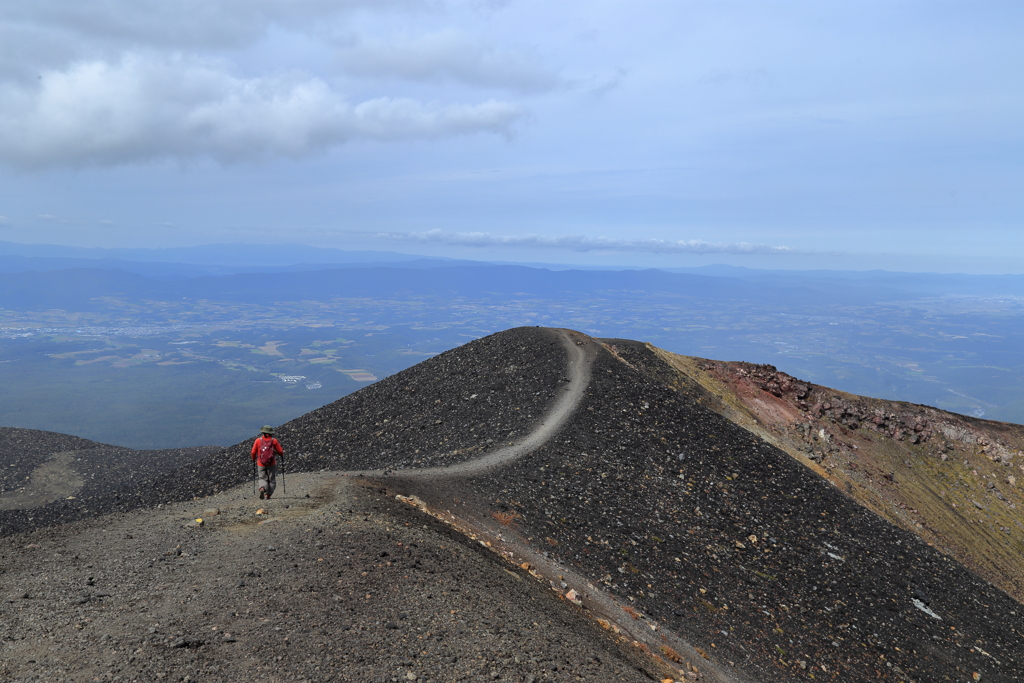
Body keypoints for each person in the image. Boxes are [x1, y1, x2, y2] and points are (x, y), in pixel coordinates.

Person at [251, 425, 283, 500]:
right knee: (271, 480)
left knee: (262, 478)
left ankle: (262, 488)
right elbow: (280, 451)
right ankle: (267, 495)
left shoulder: (258, 440)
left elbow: (253, 452)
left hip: (261, 463)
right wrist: (281, 454)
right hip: (271, 463)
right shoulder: (274, 441)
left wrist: (253, 459)